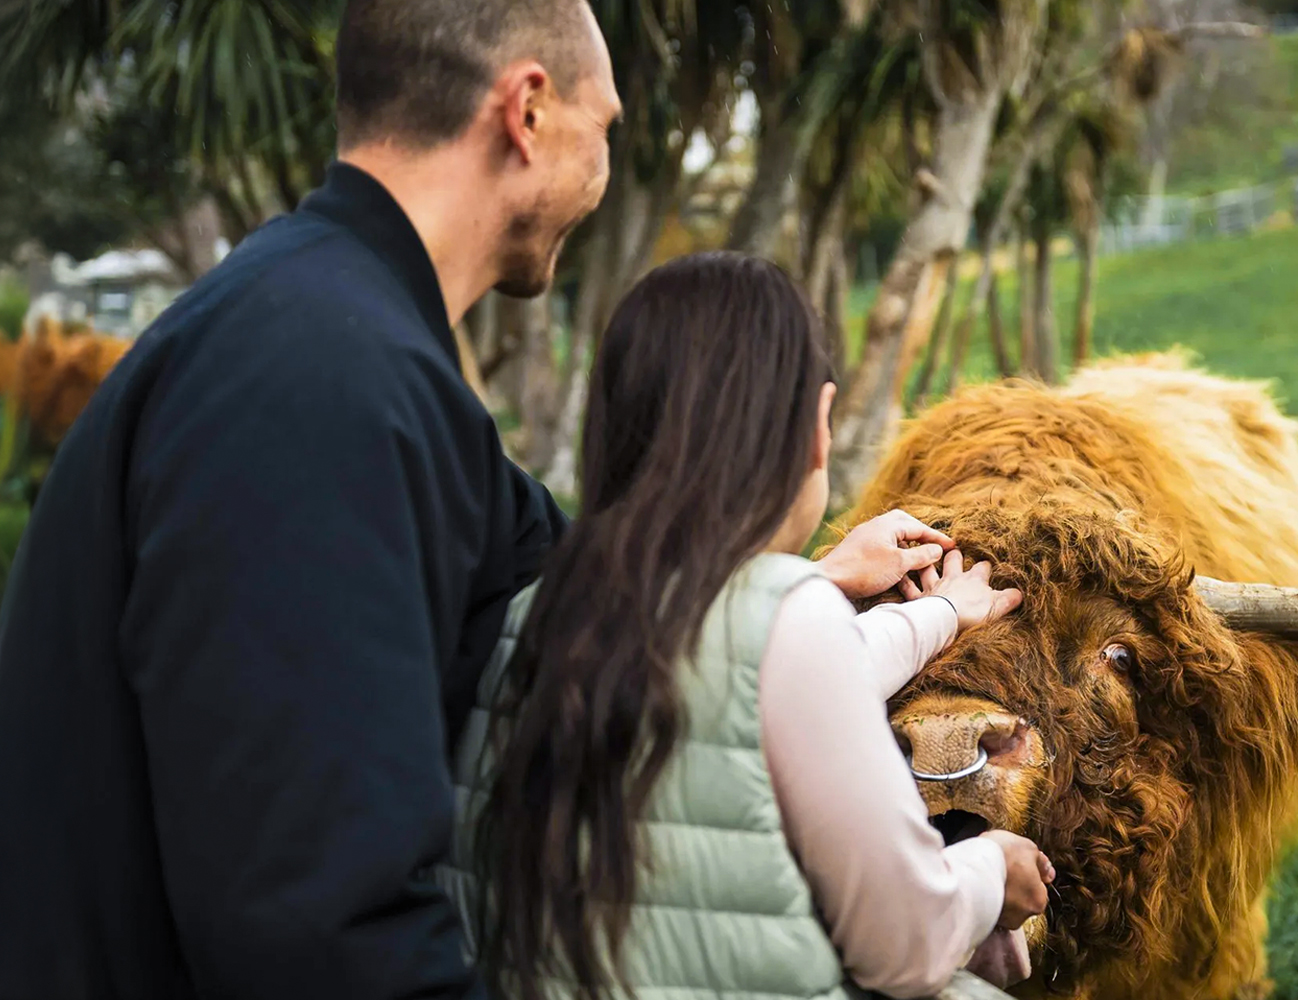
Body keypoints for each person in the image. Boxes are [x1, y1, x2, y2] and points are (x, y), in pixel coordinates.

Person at [0, 3, 953, 998]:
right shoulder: (319, 381)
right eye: (607, 128)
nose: (606, 171)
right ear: (527, 111)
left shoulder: (332, 331)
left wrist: (802, 587)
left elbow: (576, 583)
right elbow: (314, 921)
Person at [469, 252, 1054, 1000]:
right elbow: (906, 945)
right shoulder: (789, 621)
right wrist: (989, 872)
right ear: (817, 426)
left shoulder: (534, 610)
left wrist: (933, 614)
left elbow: (751, 668)